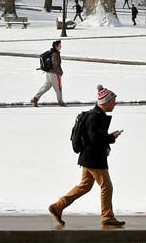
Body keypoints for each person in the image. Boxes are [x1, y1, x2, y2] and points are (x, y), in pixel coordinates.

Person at [48, 85, 125, 227]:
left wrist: (107, 143)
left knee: (85, 186)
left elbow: (96, 137)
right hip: (94, 159)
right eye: (113, 101)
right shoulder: (95, 117)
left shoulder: (97, 115)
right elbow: (94, 139)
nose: (115, 103)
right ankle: (107, 216)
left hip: (89, 157)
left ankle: (58, 206)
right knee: (107, 186)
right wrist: (111, 137)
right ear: (106, 102)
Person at [31, 40, 66, 107]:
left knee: (46, 87)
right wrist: (59, 72)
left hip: (49, 72)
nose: (61, 46)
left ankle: (35, 98)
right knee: (58, 87)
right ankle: (60, 102)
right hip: (54, 73)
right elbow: (55, 64)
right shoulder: (55, 54)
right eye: (59, 45)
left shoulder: (51, 52)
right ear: (56, 46)